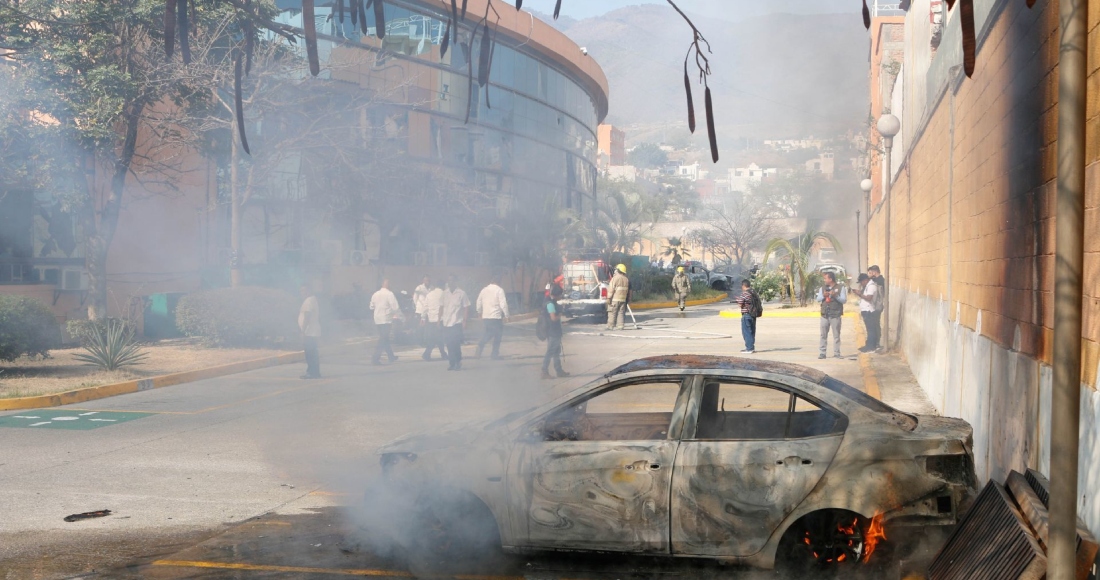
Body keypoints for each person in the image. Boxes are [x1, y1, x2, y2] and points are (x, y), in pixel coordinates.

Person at [476, 274, 510, 359]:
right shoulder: (499, 290)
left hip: (486, 317)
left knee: (488, 332)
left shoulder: (484, 290)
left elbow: (478, 301)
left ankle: (481, 345)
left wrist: (479, 312)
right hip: (496, 317)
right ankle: (493, 354)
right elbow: (503, 304)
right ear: (499, 281)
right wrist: (507, 315)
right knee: (497, 336)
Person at [442, 275, 471, 371]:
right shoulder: (444, 293)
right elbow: (441, 307)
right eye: (449, 281)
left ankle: (458, 361)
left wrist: (465, 321)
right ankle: (452, 363)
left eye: (452, 280)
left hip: (456, 322)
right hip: (446, 322)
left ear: (455, 282)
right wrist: (439, 320)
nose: (450, 282)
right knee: (449, 344)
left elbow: (466, 307)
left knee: (455, 343)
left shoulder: (461, 293)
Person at [370, 279, 401, 365]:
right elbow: (395, 307)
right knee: (383, 339)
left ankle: (391, 356)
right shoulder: (390, 294)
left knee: (385, 337)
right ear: (387, 284)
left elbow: (371, 307)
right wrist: (401, 317)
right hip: (386, 319)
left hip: (377, 319)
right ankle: (375, 358)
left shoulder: (375, 294)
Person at [815, 271, 846, 359]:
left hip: (835, 314)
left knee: (836, 335)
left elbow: (844, 300)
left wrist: (836, 296)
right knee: (823, 335)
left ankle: (837, 353)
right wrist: (823, 296)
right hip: (825, 314)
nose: (824, 280)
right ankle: (822, 353)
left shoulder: (840, 288)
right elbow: (818, 299)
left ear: (830, 279)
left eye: (825, 278)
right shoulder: (822, 288)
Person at [541, 285, 569, 379]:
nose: (561, 296)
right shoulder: (551, 304)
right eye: (560, 294)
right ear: (557, 294)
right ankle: (544, 371)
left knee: (556, 352)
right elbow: (553, 318)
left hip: (552, 331)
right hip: (553, 332)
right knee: (550, 352)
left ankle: (559, 371)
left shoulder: (549, 301)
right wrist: (560, 314)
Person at [852, 273, 881, 352]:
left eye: (861, 282)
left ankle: (871, 346)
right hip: (866, 310)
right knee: (869, 329)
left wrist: (859, 294)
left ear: (865, 280)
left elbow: (869, 298)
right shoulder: (867, 286)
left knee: (871, 330)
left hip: (869, 310)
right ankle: (868, 345)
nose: (861, 284)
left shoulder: (871, 286)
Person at [298, 284, 322, 379]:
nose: (302, 293)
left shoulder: (308, 301)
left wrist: (303, 330)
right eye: (301, 291)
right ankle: (315, 372)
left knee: (310, 353)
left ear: (310, 291)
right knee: (313, 353)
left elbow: (307, 316)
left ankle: (311, 372)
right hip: (312, 331)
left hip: (309, 331)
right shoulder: (312, 299)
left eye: (305, 290)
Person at [421, 279, 447, 361]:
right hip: (440, 319)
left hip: (431, 320)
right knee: (439, 338)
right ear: (443, 286)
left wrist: (423, 318)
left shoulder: (429, 294)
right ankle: (427, 354)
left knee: (434, 338)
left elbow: (425, 307)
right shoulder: (444, 294)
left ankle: (441, 354)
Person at [733, 279, 758, 354]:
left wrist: (738, 301)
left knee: (746, 332)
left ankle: (749, 348)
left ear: (743, 286)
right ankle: (751, 347)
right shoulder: (753, 292)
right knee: (752, 332)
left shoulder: (744, 294)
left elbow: (740, 304)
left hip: (746, 315)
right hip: (753, 314)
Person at [606, 263, 630, 331]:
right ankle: (620, 326)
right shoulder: (626, 279)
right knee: (621, 313)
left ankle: (610, 326)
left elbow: (611, 289)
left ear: (618, 270)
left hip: (615, 299)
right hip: (623, 300)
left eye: (616, 269)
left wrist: (609, 298)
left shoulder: (615, 278)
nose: (615, 271)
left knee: (612, 312)